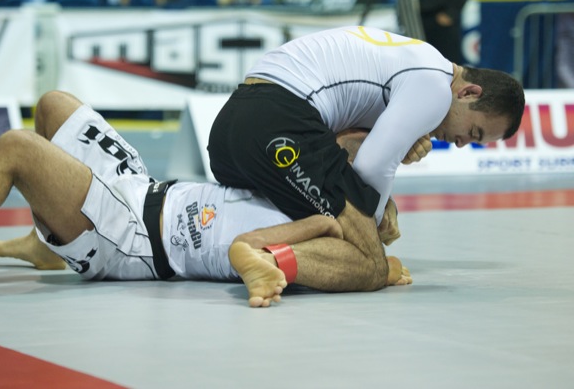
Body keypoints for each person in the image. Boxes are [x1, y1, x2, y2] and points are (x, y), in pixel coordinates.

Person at [0, 91, 411, 308]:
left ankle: (65, 241)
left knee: (16, 149)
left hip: (130, 237)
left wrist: (375, 259)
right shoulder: (311, 180)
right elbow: (352, 148)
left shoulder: (325, 225)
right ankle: (48, 243)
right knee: (52, 105)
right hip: (144, 187)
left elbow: (260, 248)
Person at [207, 25, 526, 287]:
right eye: (474, 132)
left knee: (318, 220)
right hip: (278, 123)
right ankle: (265, 258)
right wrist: (372, 224)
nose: (461, 143)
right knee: (370, 262)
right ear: (468, 92)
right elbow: (374, 165)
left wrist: (378, 199)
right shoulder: (436, 87)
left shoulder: (418, 59)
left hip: (231, 129)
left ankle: (252, 249)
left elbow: (346, 148)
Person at [412, 0, 475, 64]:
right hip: (414, 16)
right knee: (418, 62)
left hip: (442, 16)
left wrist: (451, 12)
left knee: (447, 63)